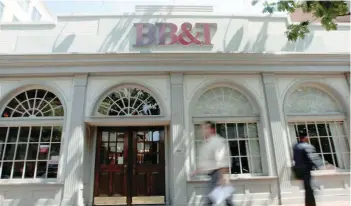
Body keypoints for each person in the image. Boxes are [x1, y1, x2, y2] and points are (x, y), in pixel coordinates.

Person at [192, 121, 234, 206]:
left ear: (211, 129)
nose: (202, 131)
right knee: (224, 200)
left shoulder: (217, 142)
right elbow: (207, 161)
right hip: (212, 175)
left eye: (204, 128)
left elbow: (223, 160)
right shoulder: (206, 143)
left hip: (218, 174)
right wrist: (198, 170)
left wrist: (222, 177)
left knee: (211, 200)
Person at [292, 133, 333, 206]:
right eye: (307, 136)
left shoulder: (296, 146)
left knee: (307, 187)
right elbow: (313, 157)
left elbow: (295, 158)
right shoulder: (307, 146)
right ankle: (310, 203)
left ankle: (308, 203)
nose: (309, 137)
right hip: (306, 170)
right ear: (305, 137)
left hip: (299, 170)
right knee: (309, 188)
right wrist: (324, 164)